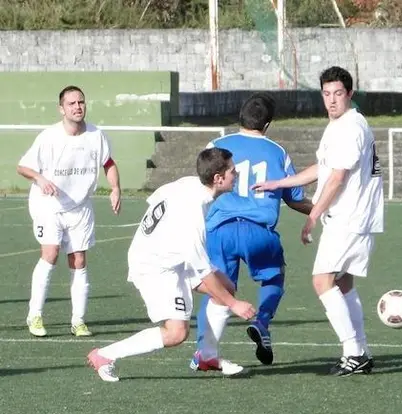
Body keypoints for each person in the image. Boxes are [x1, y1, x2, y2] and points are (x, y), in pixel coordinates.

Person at [253, 66, 384, 376]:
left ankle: (353, 352)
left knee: (321, 281)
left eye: (338, 93)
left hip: (349, 218)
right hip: (353, 217)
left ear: (350, 94)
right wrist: (280, 183)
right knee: (343, 283)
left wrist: (312, 215)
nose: (332, 100)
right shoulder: (340, 125)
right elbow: (324, 167)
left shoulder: (351, 127)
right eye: (326, 94)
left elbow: (337, 178)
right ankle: (361, 351)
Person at [87, 147, 257, 382]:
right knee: (176, 333)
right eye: (232, 171)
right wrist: (235, 305)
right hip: (154, 266)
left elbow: (155, 199)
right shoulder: (193, 215)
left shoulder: (189, 183)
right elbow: (203, 272)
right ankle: (104, 355)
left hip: (171, 256)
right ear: (218, 178)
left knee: (225, 287)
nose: (236, 174)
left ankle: (207, 357)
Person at [191, 93, 312, 373]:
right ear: (267, 124)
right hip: (258, 231)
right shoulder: (277, 151)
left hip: (220, 230)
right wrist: (321, 211)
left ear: (240, 118)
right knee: (274, 276)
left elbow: (203, 185)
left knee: (217, 288)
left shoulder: (217, 144)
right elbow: (294, 198)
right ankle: (262, 322)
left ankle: (204, 352)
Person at [16, 85, 121, 338]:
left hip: (80, 206)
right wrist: (40, 179)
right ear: (61, 109)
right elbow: (22, 167)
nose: (77, 107)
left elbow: (108, 163)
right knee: (50, 254)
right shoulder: (49, 137)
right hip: (49, 204)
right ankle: (35, 315)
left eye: (81, 102)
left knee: (79, 260)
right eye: (71, 103)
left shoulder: (96, 135)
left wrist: (115, 188)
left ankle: (78, 321)